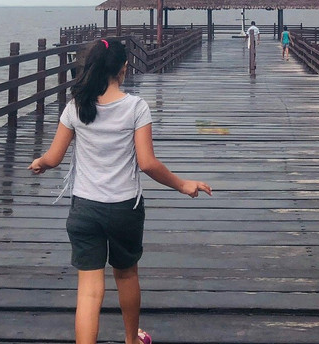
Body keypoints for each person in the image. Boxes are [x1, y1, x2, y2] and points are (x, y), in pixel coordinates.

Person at [30, 38, 212, 344]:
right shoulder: (136, 107)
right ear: (123, 70)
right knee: (126, 275)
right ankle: (131, 339)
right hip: (124, 208)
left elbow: (54, 157)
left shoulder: (76, 107)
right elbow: (147, 163)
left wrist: (40, 164)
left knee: (89, 290)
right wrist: (182, 184)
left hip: (85, 208)